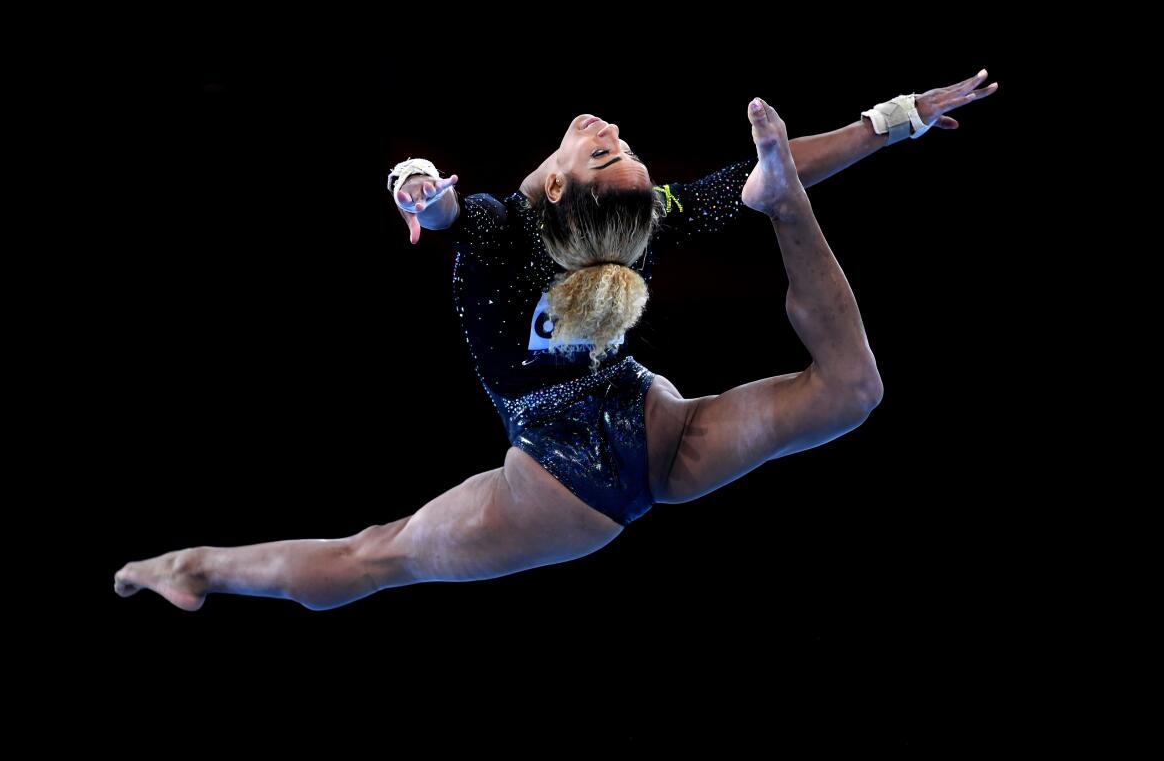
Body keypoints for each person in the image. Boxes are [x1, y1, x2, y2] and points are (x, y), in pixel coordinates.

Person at [115, 71, 998, 612]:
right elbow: (444, 203)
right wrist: (417, 187)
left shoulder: (543, 223)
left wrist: (894, 120)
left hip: (586, 477)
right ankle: (189, 567)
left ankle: (193, 566)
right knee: (366, 558)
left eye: (610, 154)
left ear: (559, 190)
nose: (610, 134)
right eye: (619, 151)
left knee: (372, 558)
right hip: (627, 453)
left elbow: (775, 166)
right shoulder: (554, 226)